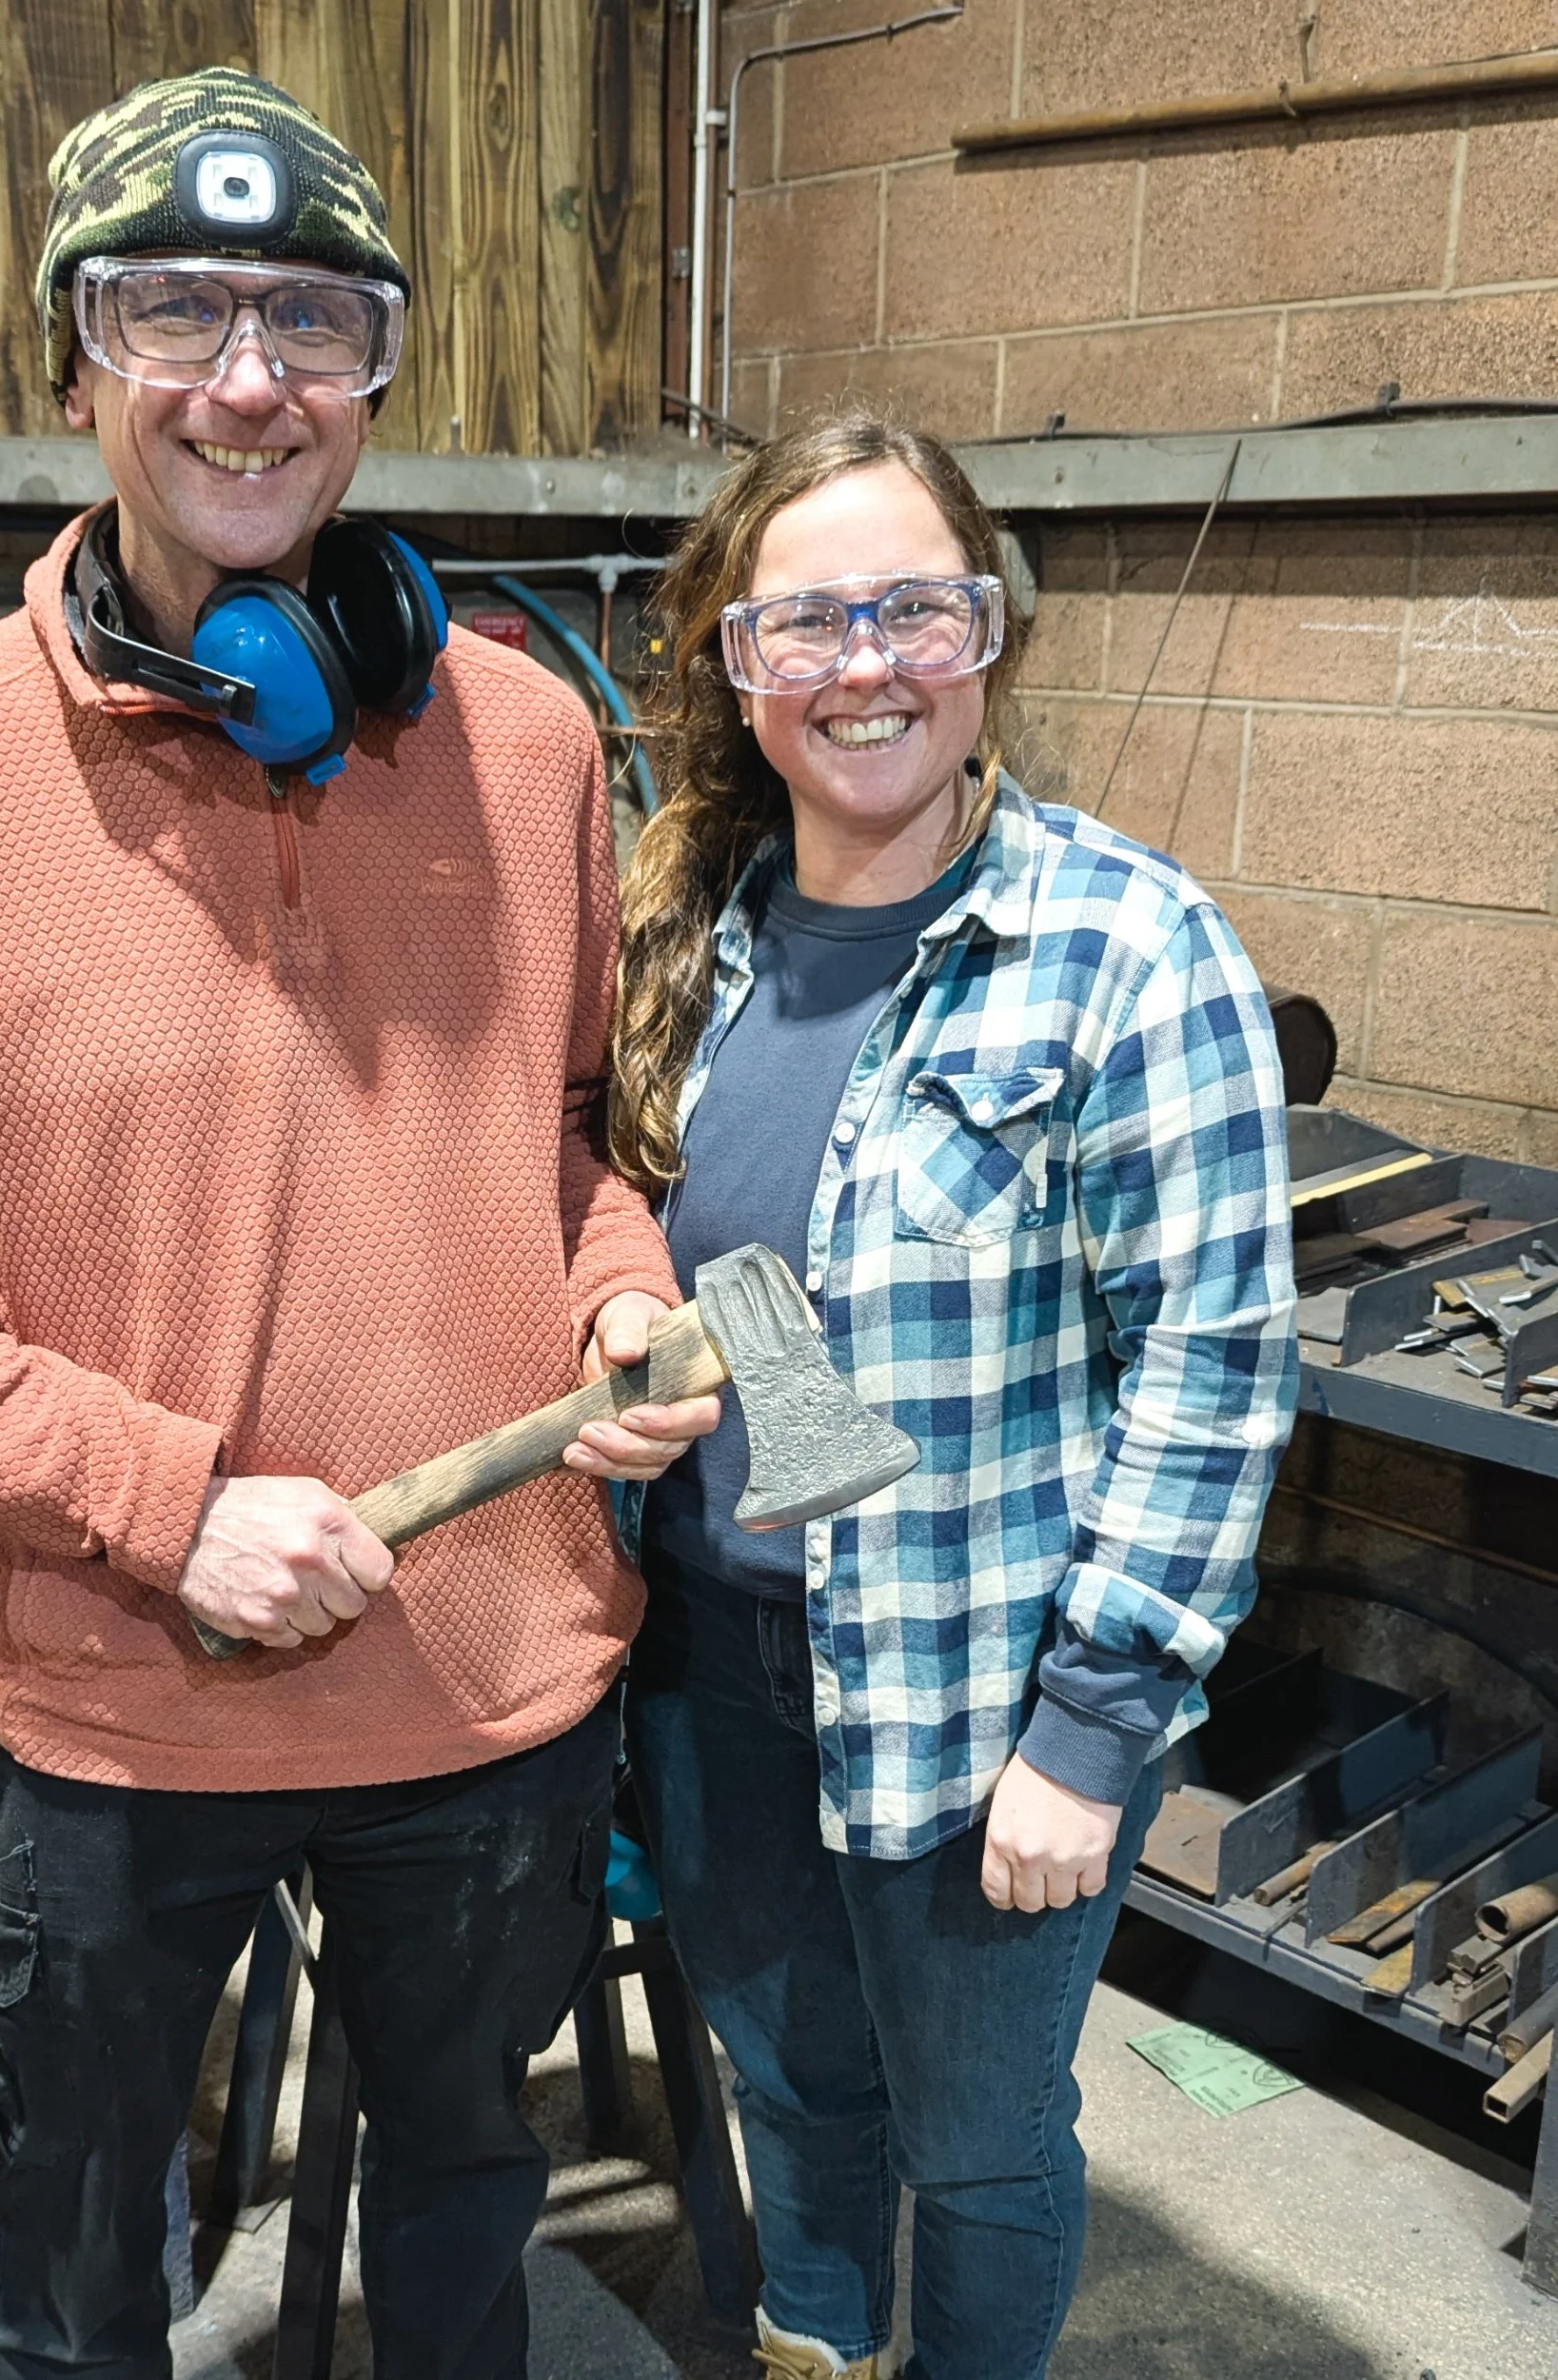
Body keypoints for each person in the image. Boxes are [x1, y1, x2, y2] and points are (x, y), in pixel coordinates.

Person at [0, 68, 716, 2380]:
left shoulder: (530, 743)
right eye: (174, 305)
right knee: (78, 2296)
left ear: (374, 375)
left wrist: (626, 1293)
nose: (248, 373)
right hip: (114, 1720)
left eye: (314, 315)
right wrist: (170, 1503)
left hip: (490, 1692)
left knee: (466, 2242)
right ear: (69, 363)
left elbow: (570, 1134)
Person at [609, 415, 1298, 2380]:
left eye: (916, 606)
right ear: (741, 665)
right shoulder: (689, 934)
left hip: (980, 1683)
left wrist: (1092, 1727)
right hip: (712, 1663)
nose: (865, 664)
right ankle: (817, 2349)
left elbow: (1217, 1364)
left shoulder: (1128, 949)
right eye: (806, 620)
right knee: (795, 2096)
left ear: (989, 633)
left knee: (978, 2145)